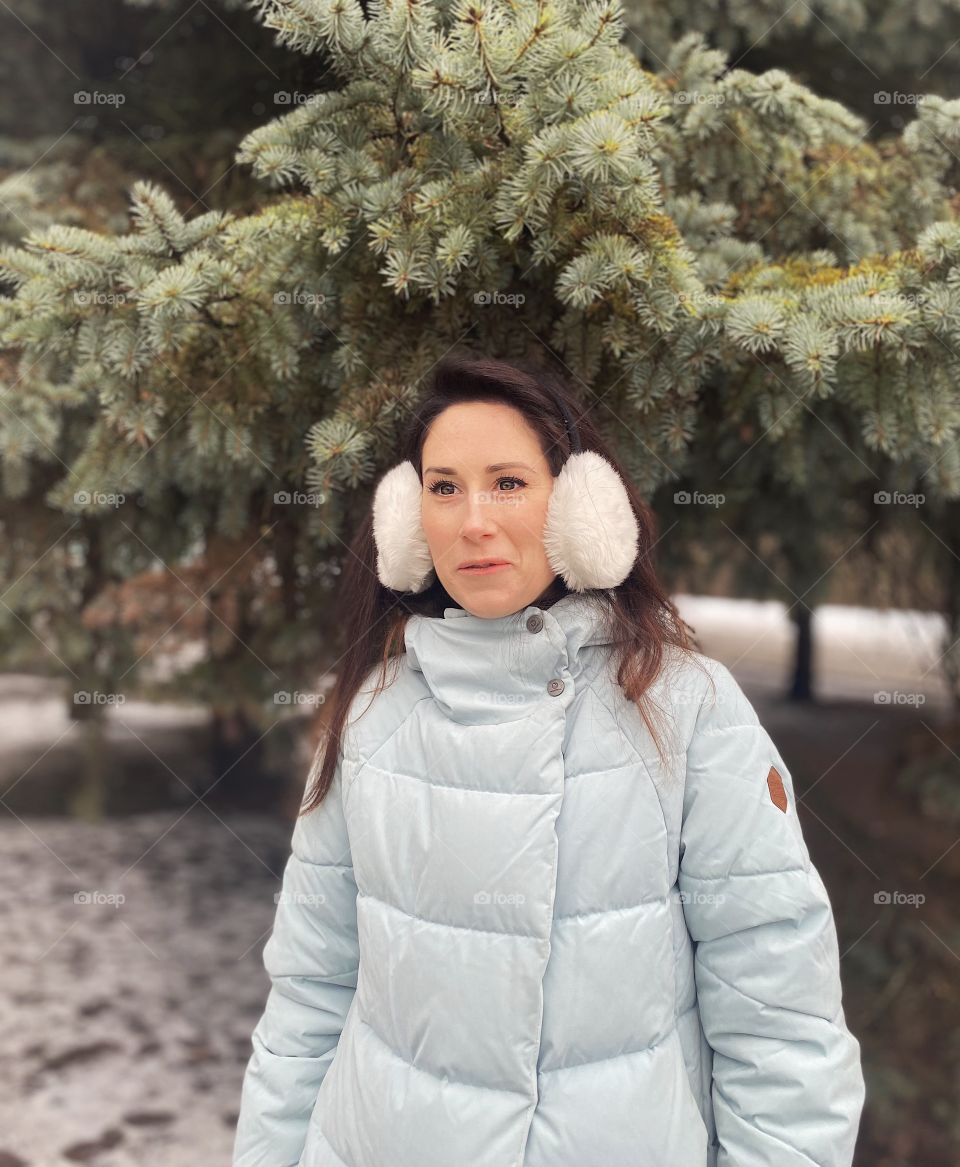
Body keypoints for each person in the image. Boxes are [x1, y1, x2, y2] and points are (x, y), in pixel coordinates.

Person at [232, 351, 866, 1167]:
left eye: (508, 482)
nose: (474, 521)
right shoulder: (370, 713)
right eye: (444, 486)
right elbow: (310, 994)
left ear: (581, 507)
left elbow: (780, 1016)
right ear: (406, 518)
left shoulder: (686, 708)